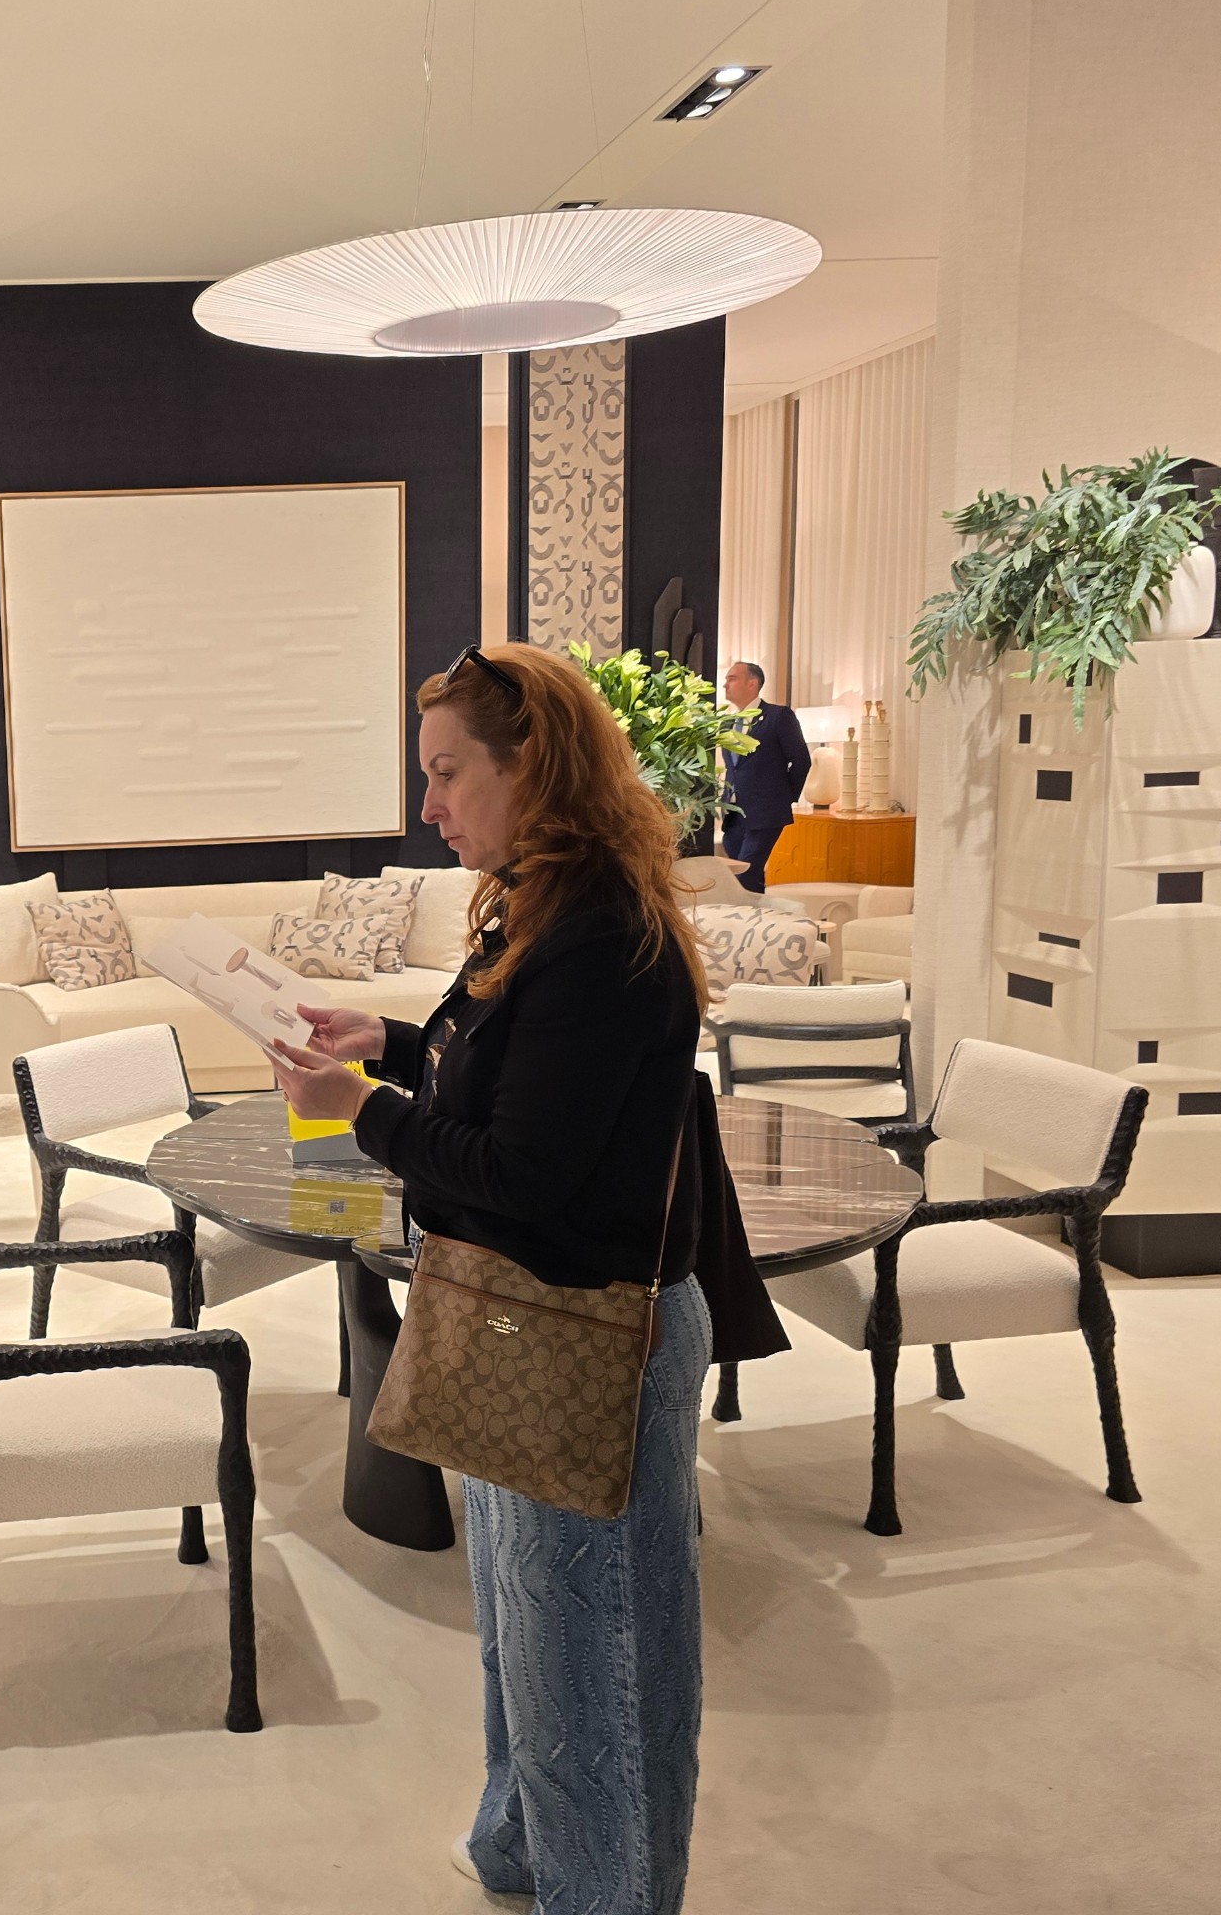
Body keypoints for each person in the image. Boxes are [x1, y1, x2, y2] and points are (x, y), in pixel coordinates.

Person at [266, 641, 713, 1915]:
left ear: (537, 767)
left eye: (449, 772)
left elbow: (523, 1170)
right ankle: (525, 1847)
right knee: (532, 1632)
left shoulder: (599, 935)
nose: (430, 805)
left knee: (594, 1653)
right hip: (527, 1316)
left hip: (582, 1331)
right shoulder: (546, 907)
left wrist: (361, 1109)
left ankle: (607, 1893)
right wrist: (396, 1042)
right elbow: (523, 1075)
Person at [718, 659, 810, 893]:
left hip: (764, 813)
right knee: (747, 878)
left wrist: (784, 797)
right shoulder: (726, 724)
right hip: (733, 815)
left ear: (752, 683)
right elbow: (734, 768)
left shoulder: (778, 716)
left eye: (732, 678)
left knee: (744, 876)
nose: (725, 684)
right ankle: (757, 914)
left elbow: (801, 760)